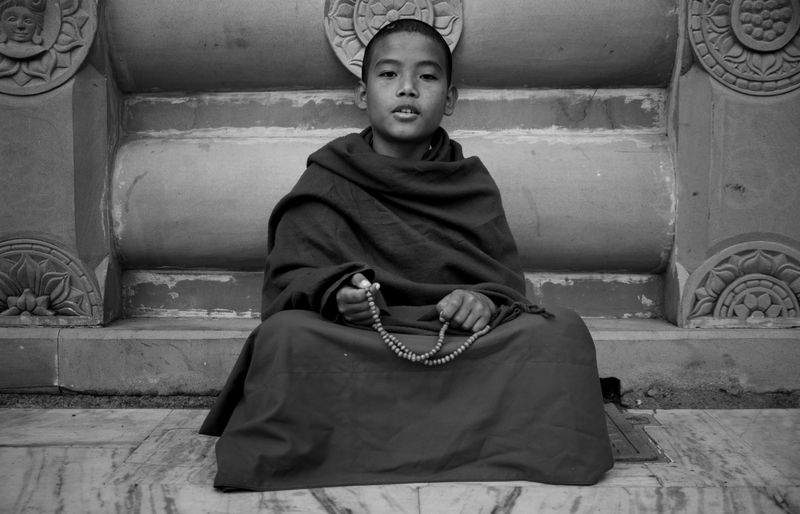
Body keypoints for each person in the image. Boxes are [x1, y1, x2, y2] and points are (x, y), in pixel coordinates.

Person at [200, 18, 613, 491]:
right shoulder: (328, 177)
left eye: (428, 76)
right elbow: (290, 282)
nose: (409, 89)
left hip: (452, 339)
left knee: (562, 334)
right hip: (360, 340)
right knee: (285, 338)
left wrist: (481, 301)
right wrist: (337, 295)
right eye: (389, 74)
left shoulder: (469, 185)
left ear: (451, 99)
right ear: (362, 94)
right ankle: (470, 442)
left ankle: (374, 446)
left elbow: (503, 286)